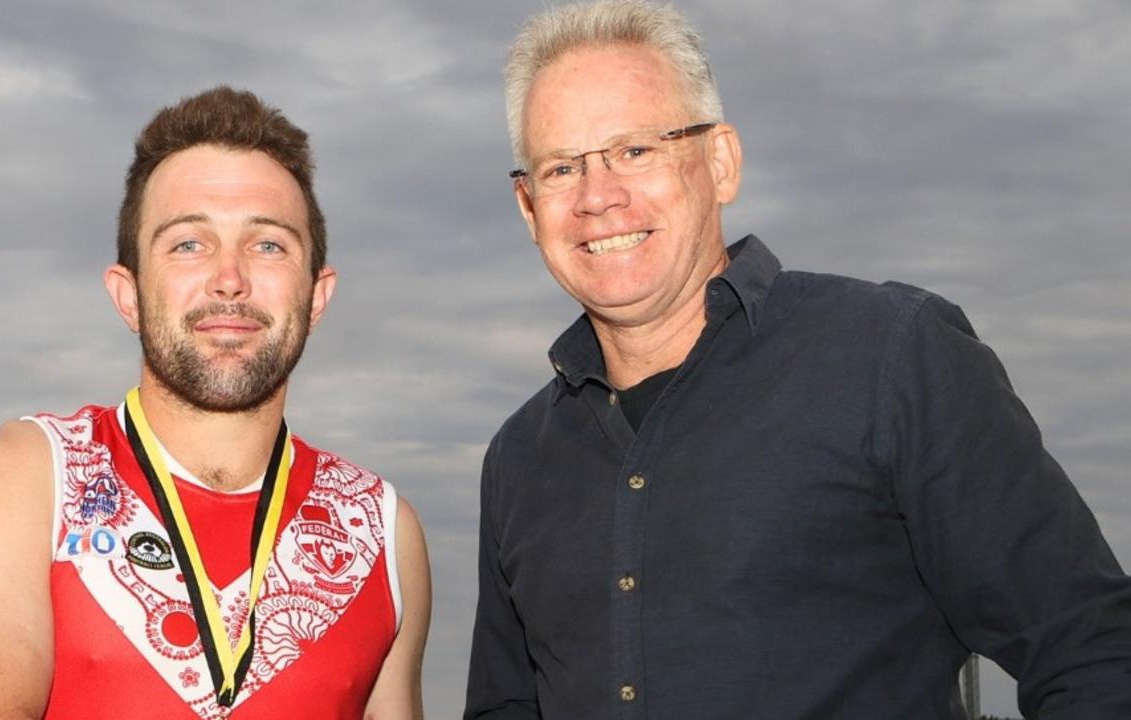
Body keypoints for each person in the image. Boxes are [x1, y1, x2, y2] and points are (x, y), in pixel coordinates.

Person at [464, 2, 1131, 718]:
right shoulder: (519, 461)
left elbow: (1090, 651)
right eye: (563, 168)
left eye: (635, 149)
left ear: (720, 162)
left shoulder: (891, 360)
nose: (600, 197)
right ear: (529, 209)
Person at [0, 86, 430, 720]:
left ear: (317, 297)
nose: (229, 277)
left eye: (268, 244)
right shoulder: (23, 483)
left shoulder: (380, 531)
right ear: (128, 295)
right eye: (188, 243)